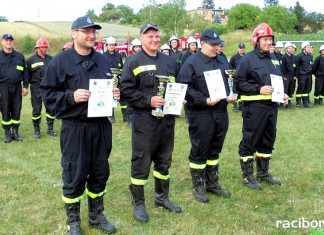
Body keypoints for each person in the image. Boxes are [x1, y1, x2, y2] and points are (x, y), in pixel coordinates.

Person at [39, 16, 118, 235]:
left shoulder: (102, 60)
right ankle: (73, 220)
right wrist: (71, 96)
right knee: (75, 174)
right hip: (75, 128)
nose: (92, 35)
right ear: (74, 33)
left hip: (101, 126)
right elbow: (47, 93)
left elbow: (105, 87)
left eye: (94, 31)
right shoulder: (60, 61)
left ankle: (96, 215)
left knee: (100, 172)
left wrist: (114, 94)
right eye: (86, 31)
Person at [120, 22, 182, 223]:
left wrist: (180, 98)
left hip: (166, 121)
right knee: (141, 162)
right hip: (144, 121)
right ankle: (138, 204)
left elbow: (176, 86)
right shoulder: (133, 61)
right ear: (141, 38)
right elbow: (125, 91)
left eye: (157, 36)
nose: (154, 39)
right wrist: (148, 100)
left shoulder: (170, 61)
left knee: (164, 160)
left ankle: (162, 197)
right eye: (149, 36)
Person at [178, 29, 235, 203]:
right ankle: (198, 184)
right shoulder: (191, 63)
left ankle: (212, 182)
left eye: (219, 44)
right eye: (213, 45)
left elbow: (231, 81)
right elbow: (184, 87)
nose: (217, 48)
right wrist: (203, 100)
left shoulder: (222, 60)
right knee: (200, 149)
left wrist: (232, 94)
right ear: (202, 44)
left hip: (221, 112)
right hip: (201, 113)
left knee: (215, 148)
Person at [234, 23, 288, 190]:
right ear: (256, 40)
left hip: (271, 107)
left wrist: (282, 94)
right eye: (265, 39)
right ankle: (247, 176)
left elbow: (276, 80)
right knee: (251, 140)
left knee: (268, 140)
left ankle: (263, 173)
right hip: (254, 108)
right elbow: (238, 83)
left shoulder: (274, 58)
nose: (268, 42)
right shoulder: (247, 59)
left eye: (270, 39)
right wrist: (258, 89)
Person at [0, 33, 28, 143]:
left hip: (17, 88)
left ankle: (15, 133)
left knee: (17, 110)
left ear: (13, 42)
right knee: (5, 110)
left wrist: (25, 86)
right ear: (2, 42)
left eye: (10, 40)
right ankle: (7, 134)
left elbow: (25, 73)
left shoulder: (20, 56)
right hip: (3, 88)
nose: (8, 42)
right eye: (6, 40)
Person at [26, 37, 56, 138]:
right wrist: (27, 85)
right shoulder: (30, 60)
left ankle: (50, 129)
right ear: (37, 48)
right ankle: (36, 130)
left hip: (48, 88)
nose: (45, 49)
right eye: (43, 47)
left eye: (46, 47)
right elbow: (27, 75)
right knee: (36, 110)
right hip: (36, 88)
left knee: (51, 109)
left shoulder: (51, 59)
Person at [104, 36, 127, 124]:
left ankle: (125, 116)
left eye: (113, 45)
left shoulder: (118, 55)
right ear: (107, 46)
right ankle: (111, 116)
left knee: (122, 98)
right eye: (109, 45)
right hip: (109, 80)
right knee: (110, 98)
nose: (111, 47)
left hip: (119, 80)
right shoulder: (103, 56)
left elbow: (121, 66)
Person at [295, 41, 313, 108]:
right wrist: (296, 75)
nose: (309, 48)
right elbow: (296, 66)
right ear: (303, 48)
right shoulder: (299, 56)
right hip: (302, 75)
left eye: (309, 47)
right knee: (301, 88)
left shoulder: (310, 56)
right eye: (307, 47)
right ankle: (298, 102)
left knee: (307, 88)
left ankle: (305, 102)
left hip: (309, 75)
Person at [229, 43, 246, 112]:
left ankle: (242, 105)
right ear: (238, 48)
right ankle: (235, 106)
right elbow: (230, 67)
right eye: (240, 48)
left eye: (243, 48)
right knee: (235, 91)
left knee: (243, 91)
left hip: (244, 78)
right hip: (235, 78)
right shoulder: (234, 57)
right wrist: (233, 73)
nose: (242, 49)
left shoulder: (246, 57)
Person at [281, 42, 297, 108]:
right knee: (285, 89)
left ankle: (289, 102)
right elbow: (282, 67)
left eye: (291, 48)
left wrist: (295, 75)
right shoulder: (283, 57)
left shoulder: (293, 57)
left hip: (292, 76)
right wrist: (283, 76)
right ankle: (284, 103)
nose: (290, 49)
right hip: (286, 75)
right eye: (289, 48)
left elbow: (295, 66)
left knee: (291, 89)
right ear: (286, 49)